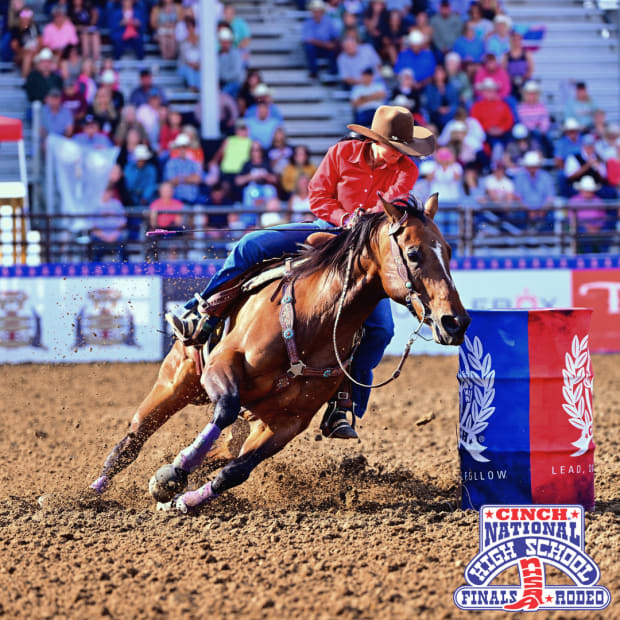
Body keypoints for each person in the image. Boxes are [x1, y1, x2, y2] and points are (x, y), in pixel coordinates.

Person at [165, 105, 436, 440]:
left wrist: (363, 223)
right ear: (374, 140)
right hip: (329, 232)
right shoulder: (342, 153)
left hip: (367, 250)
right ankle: (203, 311)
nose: (397, 156)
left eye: (402, 150)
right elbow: (318, 196)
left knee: (380, 330)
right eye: (392, 147)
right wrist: (344, 219)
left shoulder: (406, 170)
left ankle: (344, 403)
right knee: (251, 245)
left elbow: (389, 210)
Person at [302, 0, 339, 78]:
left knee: (336, 47)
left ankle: (333, 73)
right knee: (309, 47)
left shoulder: (328, 21)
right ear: (311, 12)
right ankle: (313, 71)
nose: (317, 13)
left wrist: (333, 44)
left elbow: (335, 35)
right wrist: (326, 44)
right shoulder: (307, 23)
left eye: (319, 11)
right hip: (316, 48)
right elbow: (308, 39)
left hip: (327, 47)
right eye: (315, 11)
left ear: (322, 11)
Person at [163, 133, 203, 204]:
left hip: (193, 200)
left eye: (184, 147)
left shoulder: (194, 162)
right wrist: (190, 178)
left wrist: (180, 178)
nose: (182, 149)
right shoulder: (171, 163)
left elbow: (197, 179)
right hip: (177, 200)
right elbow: (172, 181)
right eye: (179, 147)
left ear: (188, 148)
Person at [10, 7, 39, 77]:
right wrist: (24, 51)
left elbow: (40, 41)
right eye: (24, 15)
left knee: (42, 59)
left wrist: (35, 51)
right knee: (27, 57)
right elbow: (14, 46)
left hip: (34, 52)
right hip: (20, 54)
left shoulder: (34, 27)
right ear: (20, 16)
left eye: (28, 15)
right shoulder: (16, 29)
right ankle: (25, 80)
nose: (26, 17)